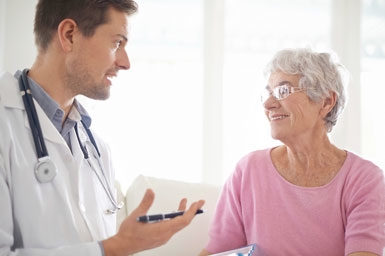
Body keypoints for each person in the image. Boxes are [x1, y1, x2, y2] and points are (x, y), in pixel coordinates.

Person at [0, 0, 205, 255]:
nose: (125, 62)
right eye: (117, 43)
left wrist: (127, 242)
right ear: (69, 35)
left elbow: (102, 244)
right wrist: (115, 248)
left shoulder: (97, 149)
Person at [199, 48, 385, 256]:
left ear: (326, 102)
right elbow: (220, 251)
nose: (268, 104)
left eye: (283, 91)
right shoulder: (248, 170)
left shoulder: (363, 179)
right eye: (268, 93)